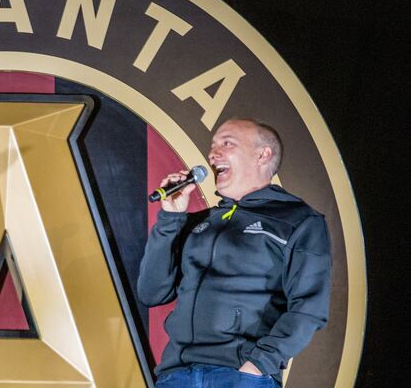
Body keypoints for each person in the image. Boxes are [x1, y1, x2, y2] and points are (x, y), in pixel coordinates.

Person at [137, 118, 331, 387]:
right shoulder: (198, 222)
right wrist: (171, 219)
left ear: (262, 155)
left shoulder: (298, 220)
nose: (212, 154)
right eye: (213, 146)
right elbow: (151, 292)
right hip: (177, 375)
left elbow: (309, 308)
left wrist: (258, 365)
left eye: (227, 143)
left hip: (239, 376)